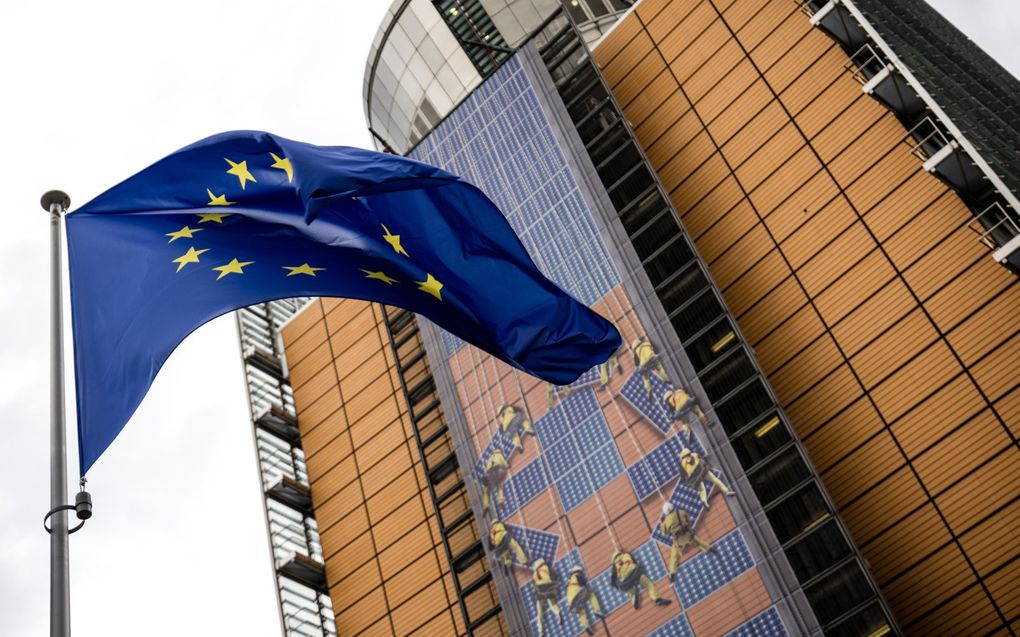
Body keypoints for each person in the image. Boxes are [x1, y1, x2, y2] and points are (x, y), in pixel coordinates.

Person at [659, 502, 715, 581]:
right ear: (672, 507)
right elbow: (689, 521)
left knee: (674, 556)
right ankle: (710, 549)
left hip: (678, 541)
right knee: (698, 542)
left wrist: (661, 523)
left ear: (666, 512)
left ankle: (672, 573)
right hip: (688, 535)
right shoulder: (681, 512)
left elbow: (664, 533)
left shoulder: (667, 521)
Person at [566, 566, 603, 635]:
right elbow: (584, 582)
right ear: (578, 571)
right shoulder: (576, 575)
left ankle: (586, 626)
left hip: (571, 601)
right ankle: (597, 611)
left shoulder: (569, 582)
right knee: (591, 595)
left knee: (581, 611)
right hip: (578, 593)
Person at [532, 559, 563, 635]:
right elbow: (554, 575)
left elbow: (534, 585)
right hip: (548, 585)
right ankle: (558, 613)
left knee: (539, 611)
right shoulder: (547, 567)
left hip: (540, 588)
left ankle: (541, 631)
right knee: (552, 603)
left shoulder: (534, 574)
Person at [481, 449, 509, 514]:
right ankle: (500, 501)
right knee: (500, 487)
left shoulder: (490, 458)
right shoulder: (499, 455)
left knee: (486, 491)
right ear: (499, 452)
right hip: (497, 472)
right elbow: (504, 464)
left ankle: (486, 505)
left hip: (490, 475)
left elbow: (487, 467)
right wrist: (507, 465)